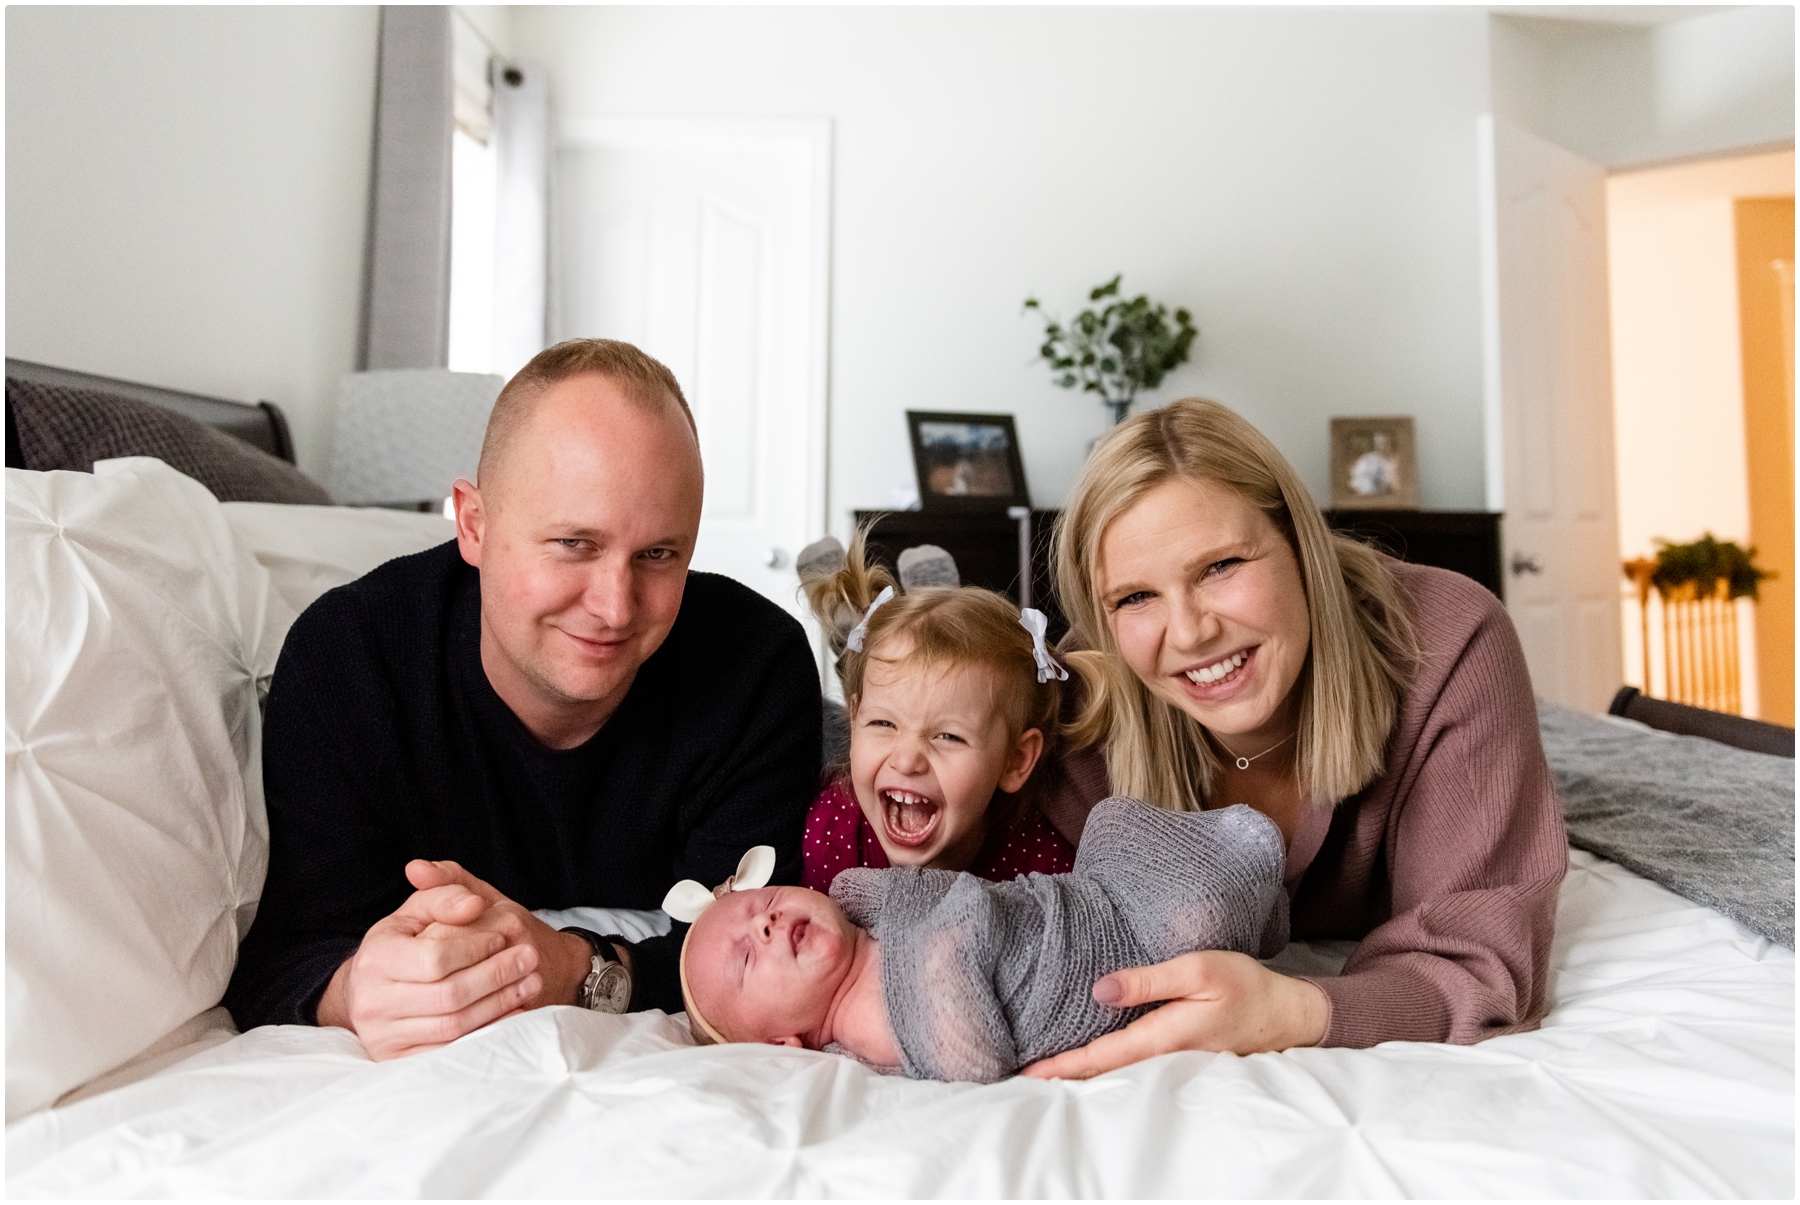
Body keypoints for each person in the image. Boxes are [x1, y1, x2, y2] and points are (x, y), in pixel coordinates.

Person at [222, 339, 822, 1060]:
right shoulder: (347, 662)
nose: (615, 605)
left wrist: (577, 967)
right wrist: (356, 990)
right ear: (472, 524)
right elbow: (282, 958)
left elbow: (761, 960)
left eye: (659, 554)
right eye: (573, 542)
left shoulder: (756, 668)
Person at [1023, 398, 1566, 1079]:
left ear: (1300, 545)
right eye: (1135, 597)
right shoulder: (1079, 703)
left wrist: (1292, 1011)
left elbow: (1479, 963)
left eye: (1220, 566)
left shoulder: (1453, 643)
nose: (1189, 632)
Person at [675, 796, 1287, 1083]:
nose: (765, 922)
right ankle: (1254, 869)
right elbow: (972, 1059)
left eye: (769, 900)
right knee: (1200, 914)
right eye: (748, 956)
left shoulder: (868, 933)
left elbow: (918, 892)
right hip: (1119, 950)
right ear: (786, 1043)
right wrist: (947, 943)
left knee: (1109, 818)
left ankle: (1256, 891)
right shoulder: (866, 1025)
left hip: (1089, 898)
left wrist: (871, 895)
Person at [794, 532, 1075, 892]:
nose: (907, 760)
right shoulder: (831, 834)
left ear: (1015, 760)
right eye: (882, 723)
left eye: (949, 736)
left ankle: (935, 604)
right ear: (853, 723)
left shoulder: (1041, 870)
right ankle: (886, 620)